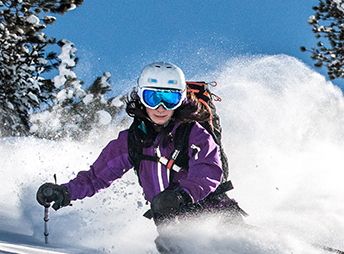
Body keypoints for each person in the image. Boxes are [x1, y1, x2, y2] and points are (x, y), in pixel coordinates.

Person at [36, 61, 243, 225]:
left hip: (214, 212)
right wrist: (65, 191)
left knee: (240, 252)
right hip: (171, 225)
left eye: (170, 99)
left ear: (181, 100)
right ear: (142, 98)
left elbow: (208, 172)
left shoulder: (194, 134)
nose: (161, 107)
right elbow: (95, 178)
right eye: (152, 97)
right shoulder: (131, 141)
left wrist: (181, 196)